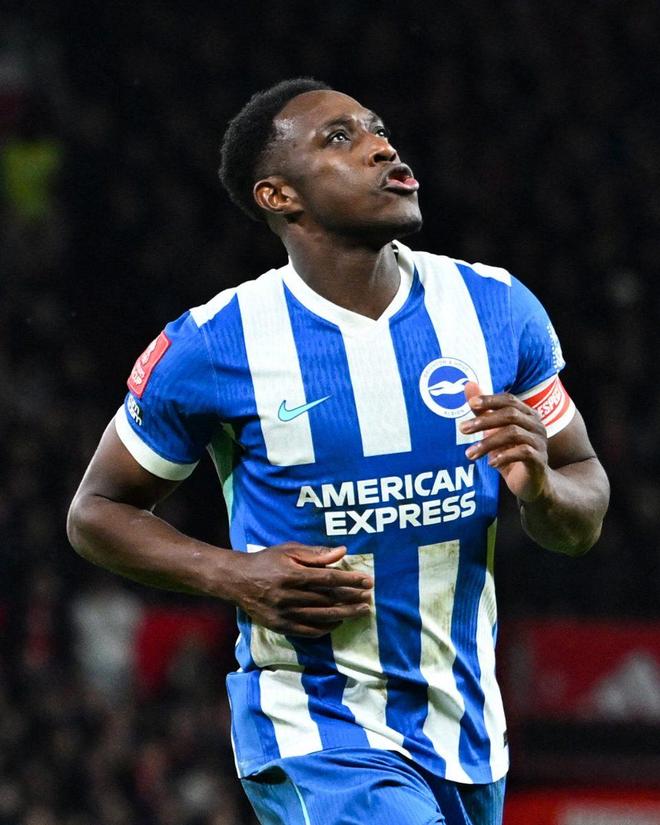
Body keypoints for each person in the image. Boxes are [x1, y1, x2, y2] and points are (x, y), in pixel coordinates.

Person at [67, 78, 610, 825]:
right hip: (315, 727)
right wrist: (232, 574)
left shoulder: (495, 308)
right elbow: (96, 511)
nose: (381, 147)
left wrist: (543, 489)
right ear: (278, 195)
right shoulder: (216, 342)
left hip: (468, 731)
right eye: (340, 137)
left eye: (378, 129)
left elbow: (581, 508)